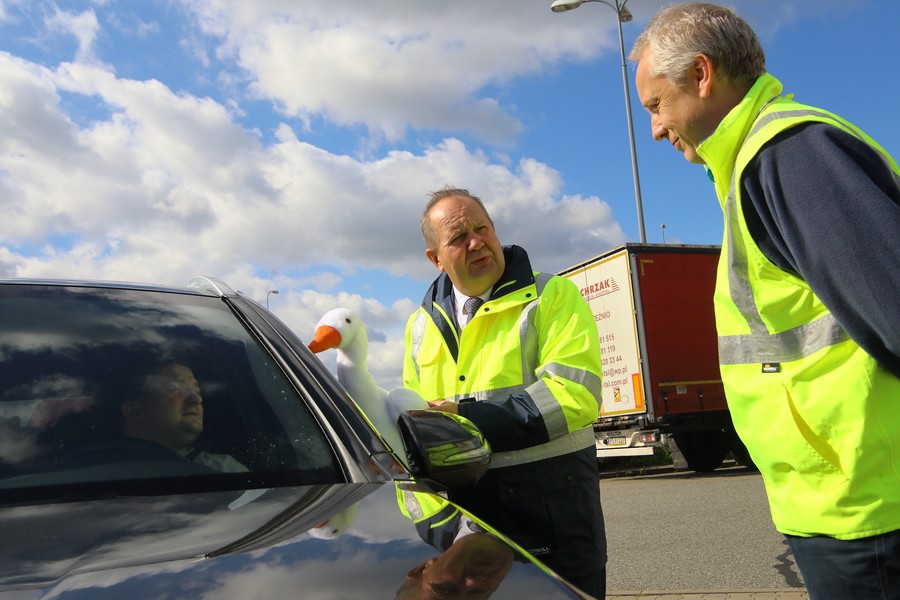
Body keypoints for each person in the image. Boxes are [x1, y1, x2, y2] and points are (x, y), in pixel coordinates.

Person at [629, 4, 900, 599]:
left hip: (872, 513)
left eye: (656, 104)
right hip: (842, 506)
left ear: (701, 74)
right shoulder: (757, 165)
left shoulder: (789, 155)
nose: (654, 129)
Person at [402, 187, 607, 598]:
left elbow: (575, 396)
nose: (476, 243)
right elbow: (406, 449)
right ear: (435, 258)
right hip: (464, 544)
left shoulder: (552, 295)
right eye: (459, 237)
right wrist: (447, 532)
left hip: (555, 532)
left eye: (482, 229)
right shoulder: (419, 326)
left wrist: (463, 419)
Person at [120, 362, 248, 473]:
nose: (197, 399)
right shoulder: (108, 468)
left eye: (197, 391)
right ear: (134, 413)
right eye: (174, 389)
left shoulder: (225, 469)